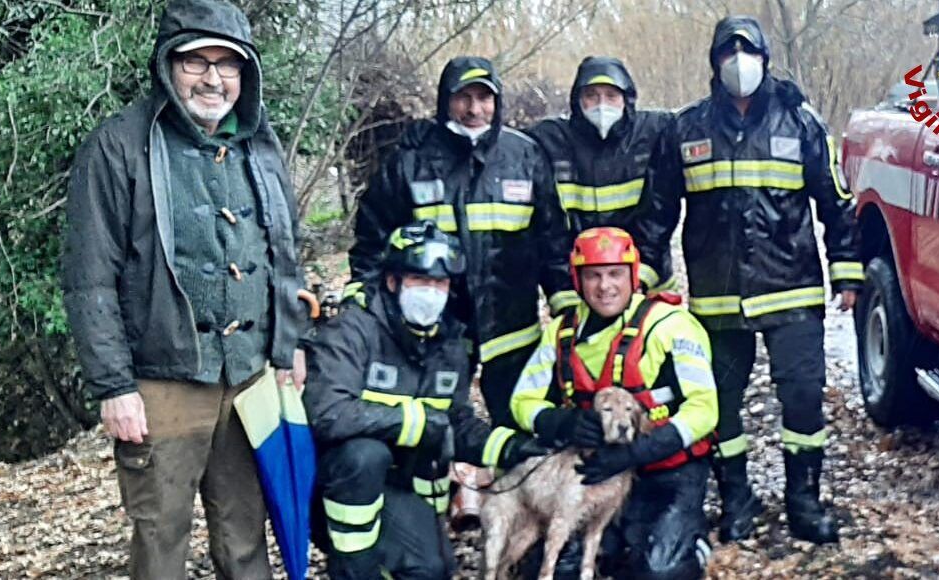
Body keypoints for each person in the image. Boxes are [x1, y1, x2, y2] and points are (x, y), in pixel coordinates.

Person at [61, 0, 308, 576]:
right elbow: (89, 277)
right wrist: (114, 386)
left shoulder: (259, 144)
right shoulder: (118, 145)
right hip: (161, 382)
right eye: (197, 61)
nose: (213, 78)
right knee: (161, 539)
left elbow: (284, 251)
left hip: (249, 380)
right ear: (168, 64)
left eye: (228, 64)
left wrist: (288, 346)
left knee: (246, 535)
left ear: (245, 73)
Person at [636, 16, 862, 545]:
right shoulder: (686, 129)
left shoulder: (800, 122)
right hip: (717, 297)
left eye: (748, 51)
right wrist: (643, 280)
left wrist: (847, 270)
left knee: (803, 398)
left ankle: (803, 501)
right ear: (714, 62)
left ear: (765, 58)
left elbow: (836, 203)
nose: (739, 62)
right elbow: (657, 213)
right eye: (728, 51)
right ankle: (736, 500)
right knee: (717, 403)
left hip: (792, 289)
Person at [342, 56, 573, 526]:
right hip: (436, 330)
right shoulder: (411, 160)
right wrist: (372, 309)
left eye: (484, 98)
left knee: (518, 424)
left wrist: (565, 304)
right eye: (463, 98)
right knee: (434, 422)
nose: (473, 109)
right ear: (445, 101)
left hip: (512, 326)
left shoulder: (524, 156)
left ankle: (524, 519)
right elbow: (372, 241)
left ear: (497, 102)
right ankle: (429, 521)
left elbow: (553, 241)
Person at [303, 221, 547, 579]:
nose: (430, 293)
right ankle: (353, 570)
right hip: (338, 491)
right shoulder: (352, 331)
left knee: (432, 570)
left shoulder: (449, 344)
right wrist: (414, 420)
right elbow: (327, 412)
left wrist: (511, 447)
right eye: (420, 280)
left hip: (402, 485)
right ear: (393, 282)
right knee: (365, 455)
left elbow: (456, 422)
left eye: (440, 283)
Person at [510, 227, 718, 579]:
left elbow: (705, 409)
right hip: (596, 471)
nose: (605, 286)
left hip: (665, 469)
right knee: (555, 570)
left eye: (615, 274)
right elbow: (522, 401)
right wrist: (561, 422)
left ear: (632, 276)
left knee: (659, 571)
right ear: (578, 281)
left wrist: (638, 451)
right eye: (593, 276)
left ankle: (692, 541)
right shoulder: (561, 332)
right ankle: (616, 543)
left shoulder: (672, 325)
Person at [524, 56, 677, 299]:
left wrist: (638, 276)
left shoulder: (654, 131)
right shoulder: (551, 140)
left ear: (627, 99)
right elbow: (550, 228)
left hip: (648, 278)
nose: (601, 105)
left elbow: (660, 213)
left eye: (611, 96)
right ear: (577, 100)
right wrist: (564, 289)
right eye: (591, 96)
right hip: (583, 283)